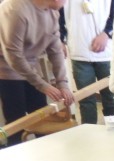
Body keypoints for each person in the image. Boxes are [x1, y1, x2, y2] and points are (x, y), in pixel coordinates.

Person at [0, 0, 74, 146]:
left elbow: (56, 50)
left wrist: (62, 83)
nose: (66, 2)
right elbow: (13, 55)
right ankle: (14, 156)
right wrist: (42, 85)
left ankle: (44, 153)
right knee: (16, 121)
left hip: (31, 67)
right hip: (6, 70)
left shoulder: (53, 11)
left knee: (42, 116)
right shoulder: (15, 9)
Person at [59, 0, 114, 124]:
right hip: (79, 53)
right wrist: (60, 40)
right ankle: (89, 132)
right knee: (85, 100)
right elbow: (59, 17)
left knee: (111, 98)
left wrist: (106, 34)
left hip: (106, 54)